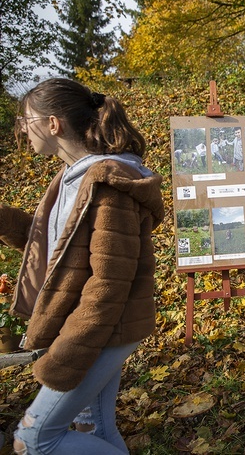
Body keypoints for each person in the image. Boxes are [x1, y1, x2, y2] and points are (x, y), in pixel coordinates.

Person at [0, 78, 164, 453]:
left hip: (99, 331)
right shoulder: (72, 178)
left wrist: (69, 353)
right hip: (90, 328)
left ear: (53, 123)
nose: (23, 129)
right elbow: (60, 248)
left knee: (33, 439)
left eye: (27, 120)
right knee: (95, 431)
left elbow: (109, 283)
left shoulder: (108, 184)